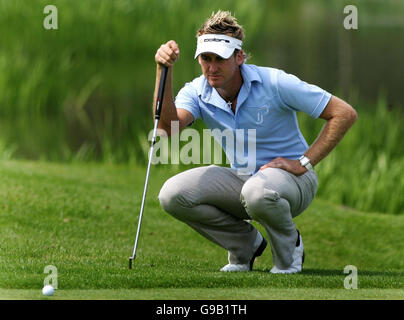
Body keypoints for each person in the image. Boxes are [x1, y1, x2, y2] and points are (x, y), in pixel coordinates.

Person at [154, 11, 357, 273]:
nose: (212, 67)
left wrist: (303, 162)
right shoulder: (197, 91)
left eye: (220, 59)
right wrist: (164, 71)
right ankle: (244, 247)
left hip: (293, 180)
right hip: (243, 178)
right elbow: (167, 129)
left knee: (257, 192)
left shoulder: (275, 82)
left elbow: (343, 113)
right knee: (172, 195)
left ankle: (288, 254)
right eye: (206, 58)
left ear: (239, 57)